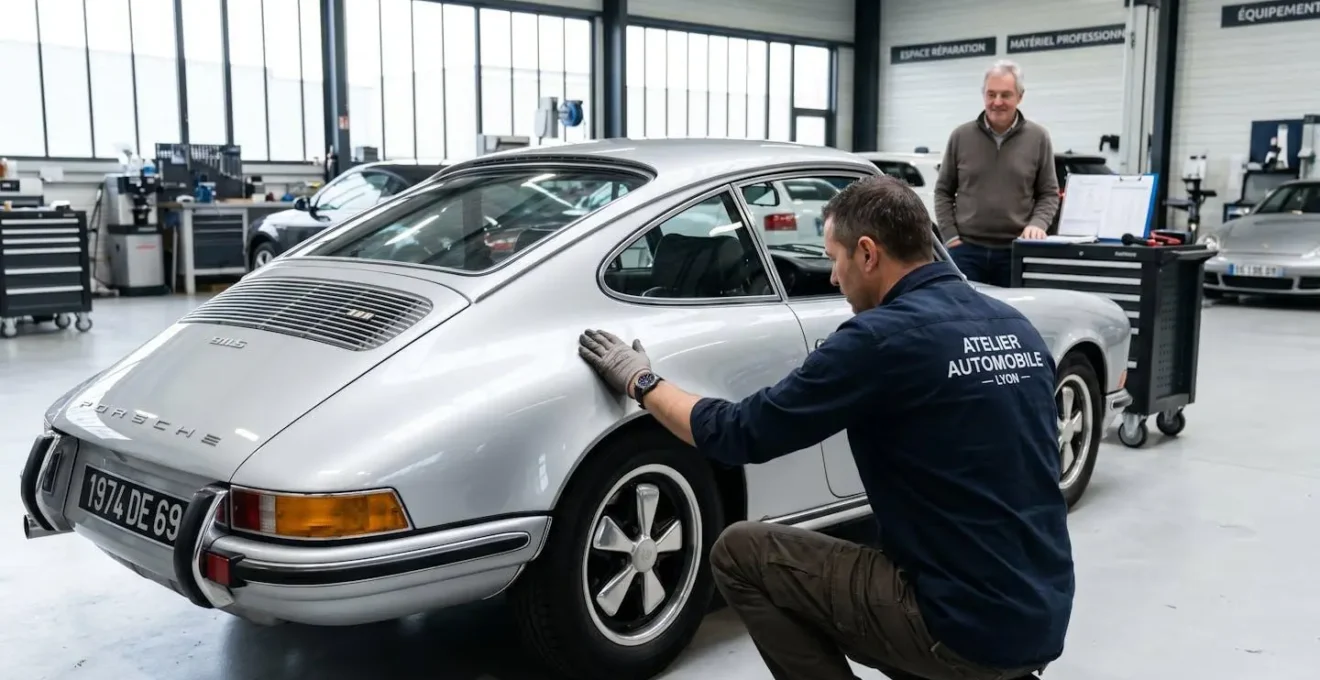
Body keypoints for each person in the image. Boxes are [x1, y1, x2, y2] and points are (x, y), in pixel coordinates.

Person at [576, 174, 1073, 680]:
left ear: (867, 253)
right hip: (1039, 617)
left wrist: (641, 381)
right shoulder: (1014, 328)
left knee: (740, 553)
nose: (833, 278)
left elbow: (739, 432)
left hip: (958, 627)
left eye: (833, 258)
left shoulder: (879, 338)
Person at [934, 59, 1060, 288]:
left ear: (1020, 97)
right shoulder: (961, 137)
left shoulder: (1038, 138)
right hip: (965, 253)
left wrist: (1038, 225)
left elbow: (1049, 193)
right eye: (991, 94)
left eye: (1005, 95)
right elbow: (943, 191)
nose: (997, 102)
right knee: (966, 318)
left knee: (1012, 319)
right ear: (983, 95)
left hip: (1016, 252)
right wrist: (950, 236)